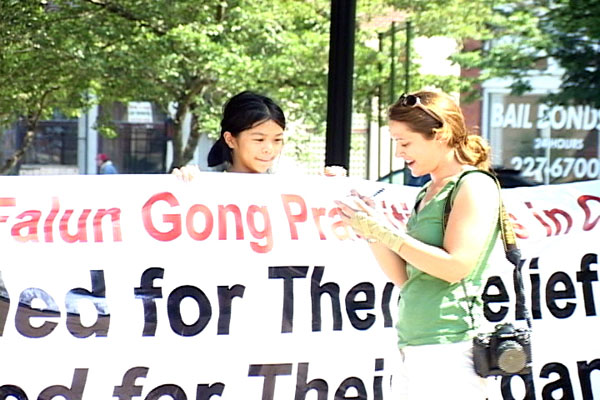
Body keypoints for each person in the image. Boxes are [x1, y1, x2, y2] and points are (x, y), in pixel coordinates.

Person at [335, 91, 501, 400]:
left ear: (440, 135)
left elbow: (455, 267)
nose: (398, 153)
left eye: (405, 142)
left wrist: (384, 231)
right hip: (414, 344)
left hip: (452, 346)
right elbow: (407, 278)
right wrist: (369, 228)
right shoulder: (427, 191)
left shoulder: (474, 185)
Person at [172, 90, 346, 179]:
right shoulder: (204, 189)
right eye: (259, 139)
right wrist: (181, 184)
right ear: (230, 139)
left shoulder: (289, 192)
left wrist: (332, 187)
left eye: (277, 140)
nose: (269, 149)